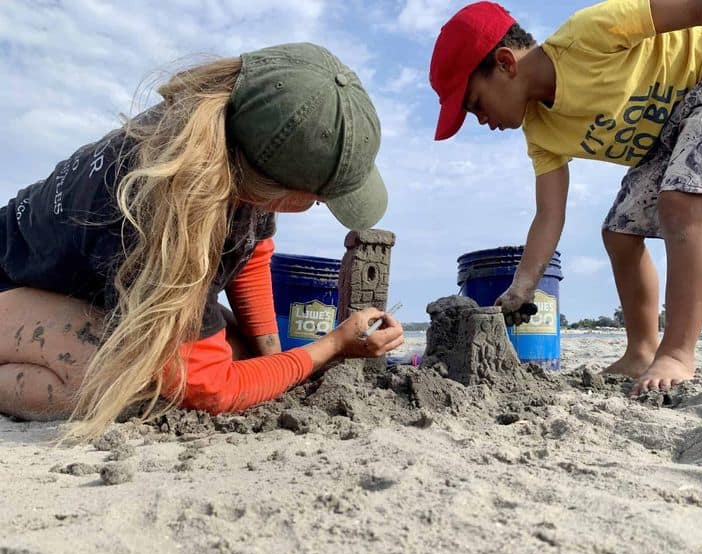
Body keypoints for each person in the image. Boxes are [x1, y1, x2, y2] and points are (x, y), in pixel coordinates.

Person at [0, 43, 404, 440]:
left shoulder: (236, 139)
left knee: (241, 355)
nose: (319, 204)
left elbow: (252, 253)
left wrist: (274, 357)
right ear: (271, 185)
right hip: (12, 287)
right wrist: (331, 347)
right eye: (319, 197)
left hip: (83, 285)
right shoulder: (163, 209)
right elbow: (210, 387)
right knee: (127, 386)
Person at [429, 0, 702, 395]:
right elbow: (549, 214)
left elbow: (691, 9)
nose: (481, 121)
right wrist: (523, 286)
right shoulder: (539, 133)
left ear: (504, 63)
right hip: (673, 129)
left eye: (476, 104)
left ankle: (677, 352)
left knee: (680, 202)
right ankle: (641, 348)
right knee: (619, 233)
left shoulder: (588, 35)